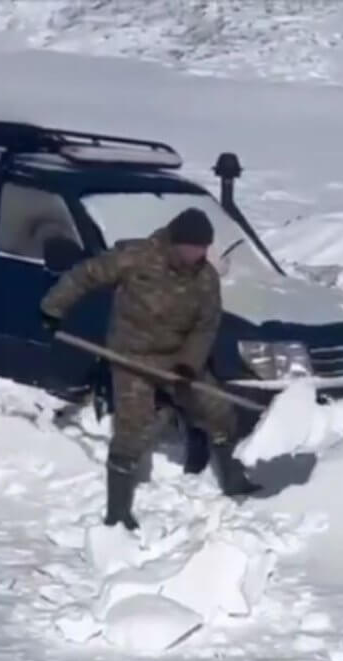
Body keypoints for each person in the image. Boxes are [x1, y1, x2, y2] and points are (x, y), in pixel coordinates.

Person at [40, 207, 261, 531]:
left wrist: (189, 364)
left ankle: (233, 480)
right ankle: (118, 512)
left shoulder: (205, 277)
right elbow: (86, 274)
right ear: (176, 242)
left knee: (219, 410)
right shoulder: (137, 256)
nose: (199, 254)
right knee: (133, 429)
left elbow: (206, 326)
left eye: (204, 248)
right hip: (134, 357)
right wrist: (53, 307)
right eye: (193, 247)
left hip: (179, 358)